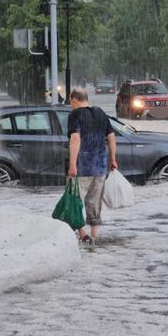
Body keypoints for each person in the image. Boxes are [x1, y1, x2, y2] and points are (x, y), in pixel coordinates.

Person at [67, 87, 118, 245]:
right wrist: (113, 159)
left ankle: (83, 235)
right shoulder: (100, 113)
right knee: (94, 203)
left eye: (70, 101)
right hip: (100, 166)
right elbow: (111, 137)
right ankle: (94, 238)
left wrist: (72, 165)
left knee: (74, 202)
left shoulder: (75, 115)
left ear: (74, 98)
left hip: (82, 167)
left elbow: (75, 139)